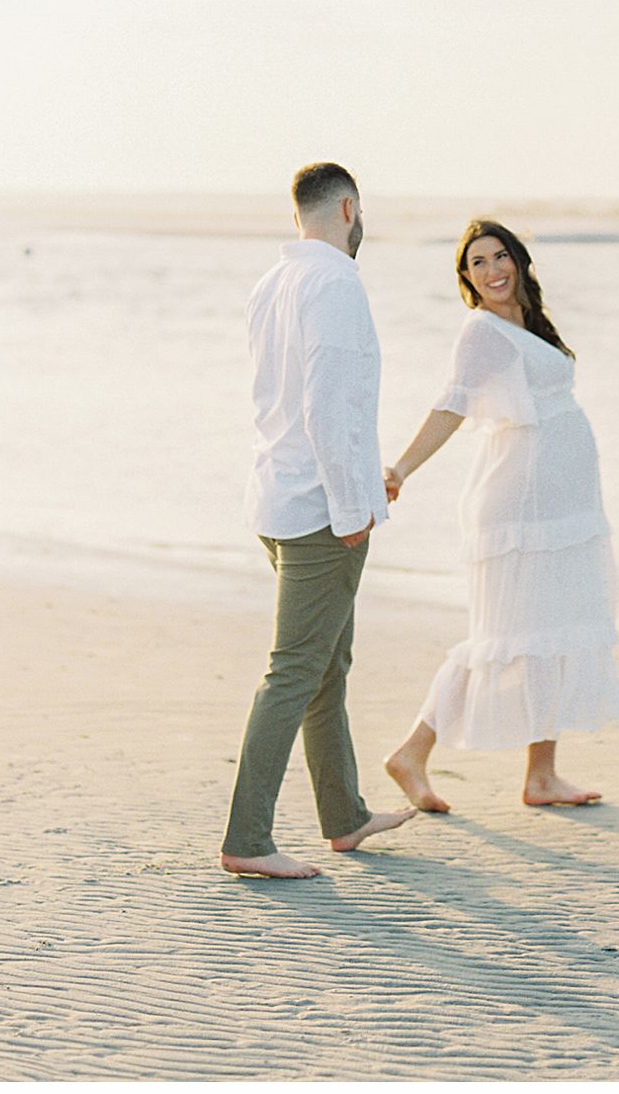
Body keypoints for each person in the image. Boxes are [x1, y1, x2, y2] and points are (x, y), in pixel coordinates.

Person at [381, 219, 619, 811]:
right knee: (502, 637)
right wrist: (402, 468)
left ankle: (541, 776)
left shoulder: (528, 324)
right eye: (477, 263)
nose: (492, 271)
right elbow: (452, 404)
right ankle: (411, 753)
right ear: (466, 279)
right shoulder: (482, 332)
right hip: (519, 505)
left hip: (562, 507)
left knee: (551, 631)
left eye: (499, 257)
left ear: (518, 260)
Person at [220, 162, 416, 879]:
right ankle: (248, 840)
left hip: (277, 496)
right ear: (349, 208)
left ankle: (345, 816)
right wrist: (350, 507)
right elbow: (328, 407)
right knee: (295, 671)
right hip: (316, 510)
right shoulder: (334, 281)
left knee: (326, 664)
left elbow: (276, 397)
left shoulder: (271, 283)